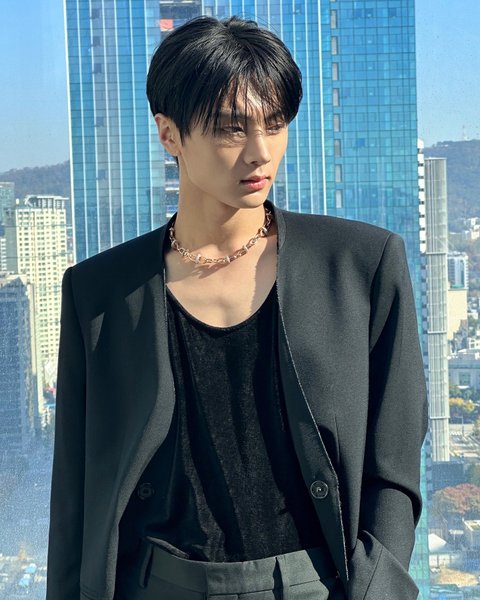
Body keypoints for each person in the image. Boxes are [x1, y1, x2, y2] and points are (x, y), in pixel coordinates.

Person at [46, 14, 429, 600]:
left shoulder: (362, 266)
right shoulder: (99, 292)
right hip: (155, 586)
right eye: (231, 129)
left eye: (275, 124)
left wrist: (377, 587)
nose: (260, 151)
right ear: (169, 134)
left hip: (317, 585)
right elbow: (76, 496)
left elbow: (394, 464)